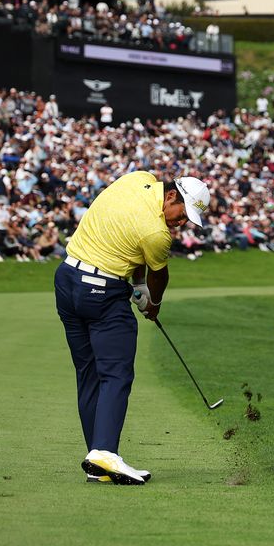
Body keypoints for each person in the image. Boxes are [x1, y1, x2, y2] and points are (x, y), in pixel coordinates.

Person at [55, 171, 211, 485]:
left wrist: (137, 284)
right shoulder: (157, 233)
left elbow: (131, 241)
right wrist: (152, 303)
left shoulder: (137, 178)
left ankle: (98, 460)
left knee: (88, 374)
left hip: (66, 279)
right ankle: (105, 453)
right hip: (101, 292)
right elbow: (159, 276)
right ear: (171, 196)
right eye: (182, 215)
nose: (181, 224)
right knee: (116, 373)